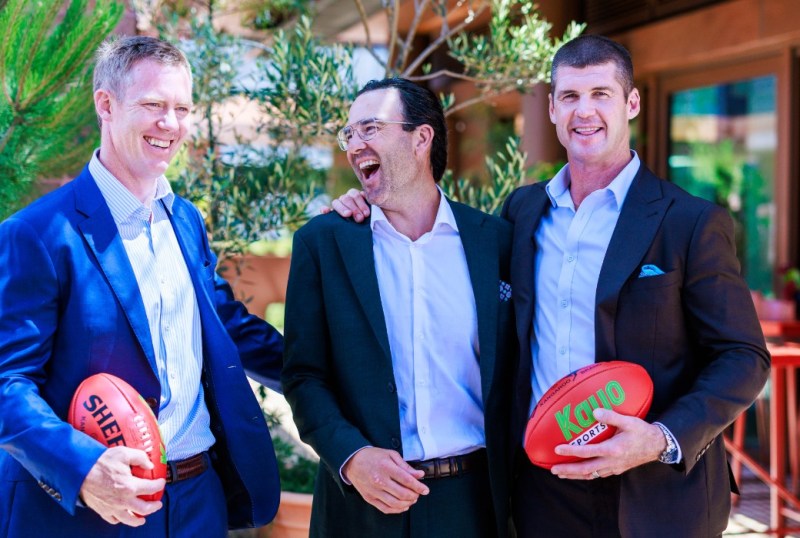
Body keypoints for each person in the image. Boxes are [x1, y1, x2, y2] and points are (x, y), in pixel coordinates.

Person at [332, 36, 770, 537]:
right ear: (553, 109)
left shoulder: (691, 222)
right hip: (543, 489)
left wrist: (658, 438)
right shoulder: (520, 214)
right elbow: (437, 252)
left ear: (631, 103)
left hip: (656, 491)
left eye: (601, 94)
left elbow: (742, 356)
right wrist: (369, 202)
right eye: (570, 96)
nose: (585, 111)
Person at [0, 36, 284, 537]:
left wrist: (332, 371)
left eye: (182, 108)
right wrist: (83, 468)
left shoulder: (185, 220)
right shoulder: (37, 234)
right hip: (96, 511)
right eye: (153, 105)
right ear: (105, 105)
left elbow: (226, 328)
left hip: (199, 502)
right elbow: (8, 382)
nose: (170, 124)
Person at [281, 77, 516, 537]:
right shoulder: (324, 244)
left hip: (473, 506)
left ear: (421, 138)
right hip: (362, 506)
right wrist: (350, 457)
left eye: (370, 128)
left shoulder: (496, 242)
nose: (354, 145)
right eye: (349, 134)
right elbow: (303, 375)